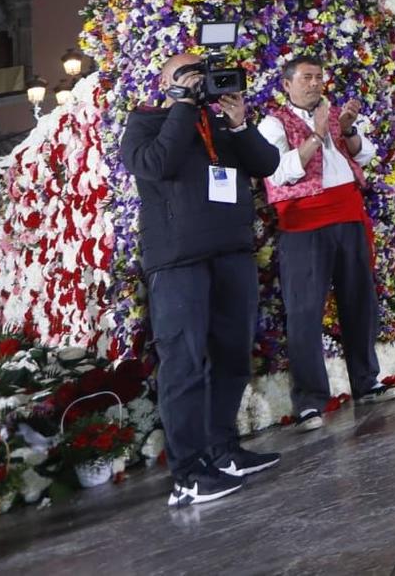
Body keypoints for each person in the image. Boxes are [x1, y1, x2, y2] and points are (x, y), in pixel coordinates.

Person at [121, 52, 282, 506]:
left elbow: (266, 164)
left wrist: (238, 123)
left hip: (231, 252)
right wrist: (181, 106)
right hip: (177, 262)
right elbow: (156, 165)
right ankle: (188, 474)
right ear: (163, 82)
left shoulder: (219, 123)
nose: (196, 82)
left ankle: (223, 450)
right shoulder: (146, 122)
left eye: (200, 75)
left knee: (232, 356)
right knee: (185, 364)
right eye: (184, 75)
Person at [256, 55, 395, 432]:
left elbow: (365, 154)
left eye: (319, 77)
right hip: (305, 223)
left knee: (359, 301)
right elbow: (278, 173)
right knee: (304, 312)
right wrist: (317, 135)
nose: (315, 84)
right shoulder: (274, 123)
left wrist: (347, 129)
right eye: (306, 78)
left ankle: (366, 382)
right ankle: (309, 402)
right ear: (287, 84)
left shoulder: (333, 114)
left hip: (348, 215)